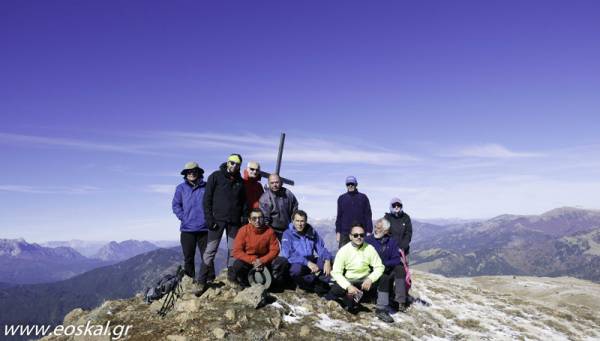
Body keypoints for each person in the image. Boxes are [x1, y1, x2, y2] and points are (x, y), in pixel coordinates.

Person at [326, 224, 393, 323]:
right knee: (349, 304)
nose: (359, 237)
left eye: (361, 235)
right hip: (350, 281)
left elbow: (379, 267)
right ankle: (350, 298)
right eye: (355, 235)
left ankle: (381, 310)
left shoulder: (369, 248)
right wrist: (348, 286)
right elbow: (336, 272)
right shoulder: (344, 250)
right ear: (350, 236)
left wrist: (370, 278)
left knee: (385, 278)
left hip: (365, 280)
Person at [198, 154, 246, 287]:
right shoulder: (216, 176)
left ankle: (232, 278)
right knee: (210, 250)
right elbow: (206, 199)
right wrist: (209, 218)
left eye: (237, 164)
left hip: (234, 222)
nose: (234, 166)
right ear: (227, 162)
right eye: (232, 162)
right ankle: (201, 281)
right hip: (217, 221)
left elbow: (244, 202)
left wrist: (244, 217)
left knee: (233, 250)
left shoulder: (240, 181)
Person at [172, 162, 208, 282]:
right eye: (189, 172)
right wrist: (184, 217)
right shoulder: (180, 188)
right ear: (186, 174)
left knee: (207, 256)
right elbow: (176, 205)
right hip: (187, 229)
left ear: (198, 172)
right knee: (188, 257)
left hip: (205, 228)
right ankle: (189, 280)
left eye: (194, 171)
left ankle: (209, 279)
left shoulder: (206, 187)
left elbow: (213, 203)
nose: (192, 173)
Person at [280, 210, 332, 294]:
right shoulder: (287, 234)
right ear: (293, 221)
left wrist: (327, 260)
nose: (300, 224)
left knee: (325, 262)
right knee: (296, 270)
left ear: (305, 221)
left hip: (311, 260)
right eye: (297, 221)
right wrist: (307, 263)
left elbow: (321, 248)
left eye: (302, 221)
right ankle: (301, 284)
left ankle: (325, 284)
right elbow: (288, 254)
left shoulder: (311, 232)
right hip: (297, 262)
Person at [365, 218, 409, 313]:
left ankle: (399, 301)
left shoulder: (391, 242)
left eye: (379, 228)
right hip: (373, 271)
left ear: (386, 231)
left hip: (387, 268)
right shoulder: (368, 240)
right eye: (375, 227)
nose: (376, 230)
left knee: (400, 269)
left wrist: (384, 264)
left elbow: (396, 259)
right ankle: (376, 296)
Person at [231, 208, 281, 288]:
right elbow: (237, 251)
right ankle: (241, 281)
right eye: (254, 218)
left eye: (260, 218)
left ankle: (274, 282)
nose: (257, 221)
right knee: (238, 265)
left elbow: (275, 250)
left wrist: (262, 260)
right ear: (249, 220)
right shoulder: (243, 231)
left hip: (264, 260)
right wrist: (253, 260)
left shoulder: (269, 231)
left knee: (281, 262)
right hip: (248, 260)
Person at [335, 176, 373, 248]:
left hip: (360, 232)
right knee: (344, 255)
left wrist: (369, 231)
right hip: (345, 233)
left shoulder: (363, 197)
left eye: (352, 184)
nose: (350, 185)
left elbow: (368, 215)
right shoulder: (341, 198)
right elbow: (339, 216)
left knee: (362, 254)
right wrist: (338, 232)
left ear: (356, 184)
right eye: (348, 184)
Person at [259, 174, 298, 240]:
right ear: (268, 184)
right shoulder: (265, 199)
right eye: (272, 183)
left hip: (288, 229)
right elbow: (265, 219)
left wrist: (293, 226)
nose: (275, 185)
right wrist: (269, 234)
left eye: (277, 182)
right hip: (273, 231)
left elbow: (295, 210)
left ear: (281, 183)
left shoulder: (288, 194)